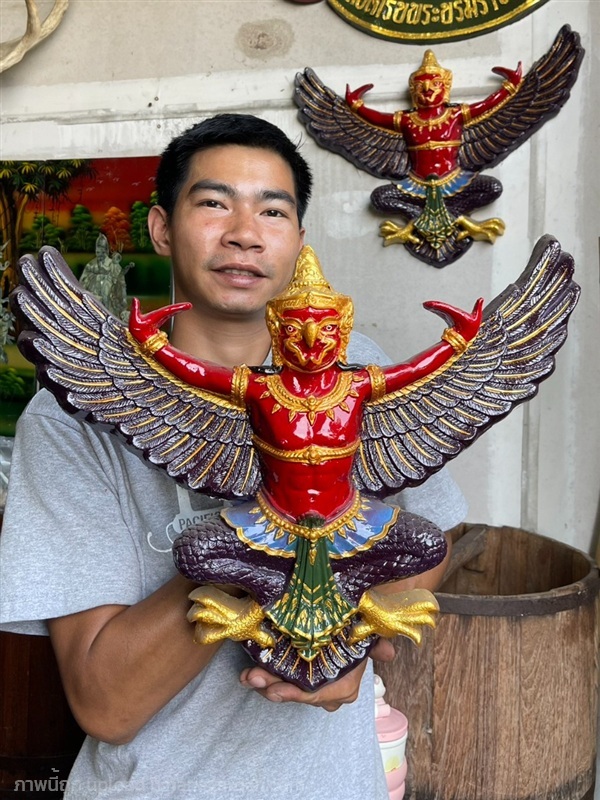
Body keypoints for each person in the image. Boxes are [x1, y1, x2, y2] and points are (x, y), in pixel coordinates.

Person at [0, 113, 468, 799]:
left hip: (338, 786)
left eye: (272, 211)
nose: (245, 233)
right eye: (215, 203)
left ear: (299, 240)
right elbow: (106, 705)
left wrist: (350, 641)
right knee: (212, 551)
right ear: (162, 228)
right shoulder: (73, 416)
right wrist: (266, 533)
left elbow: (432, 541)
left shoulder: (357, 368)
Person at [345, 49, 522, 247]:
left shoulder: (455, 115)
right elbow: (378, 119)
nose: (427, 89)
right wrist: (356, 106)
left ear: (445, 87)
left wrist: (509, 87)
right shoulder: (407, 120)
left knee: (492, 188)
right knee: (380, 198)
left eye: (435, 84)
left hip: (453, 181)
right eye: (421, 86)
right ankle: (429, 218)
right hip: (417, 186)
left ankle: (441, 219)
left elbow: (486, 106)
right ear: (413, 91)